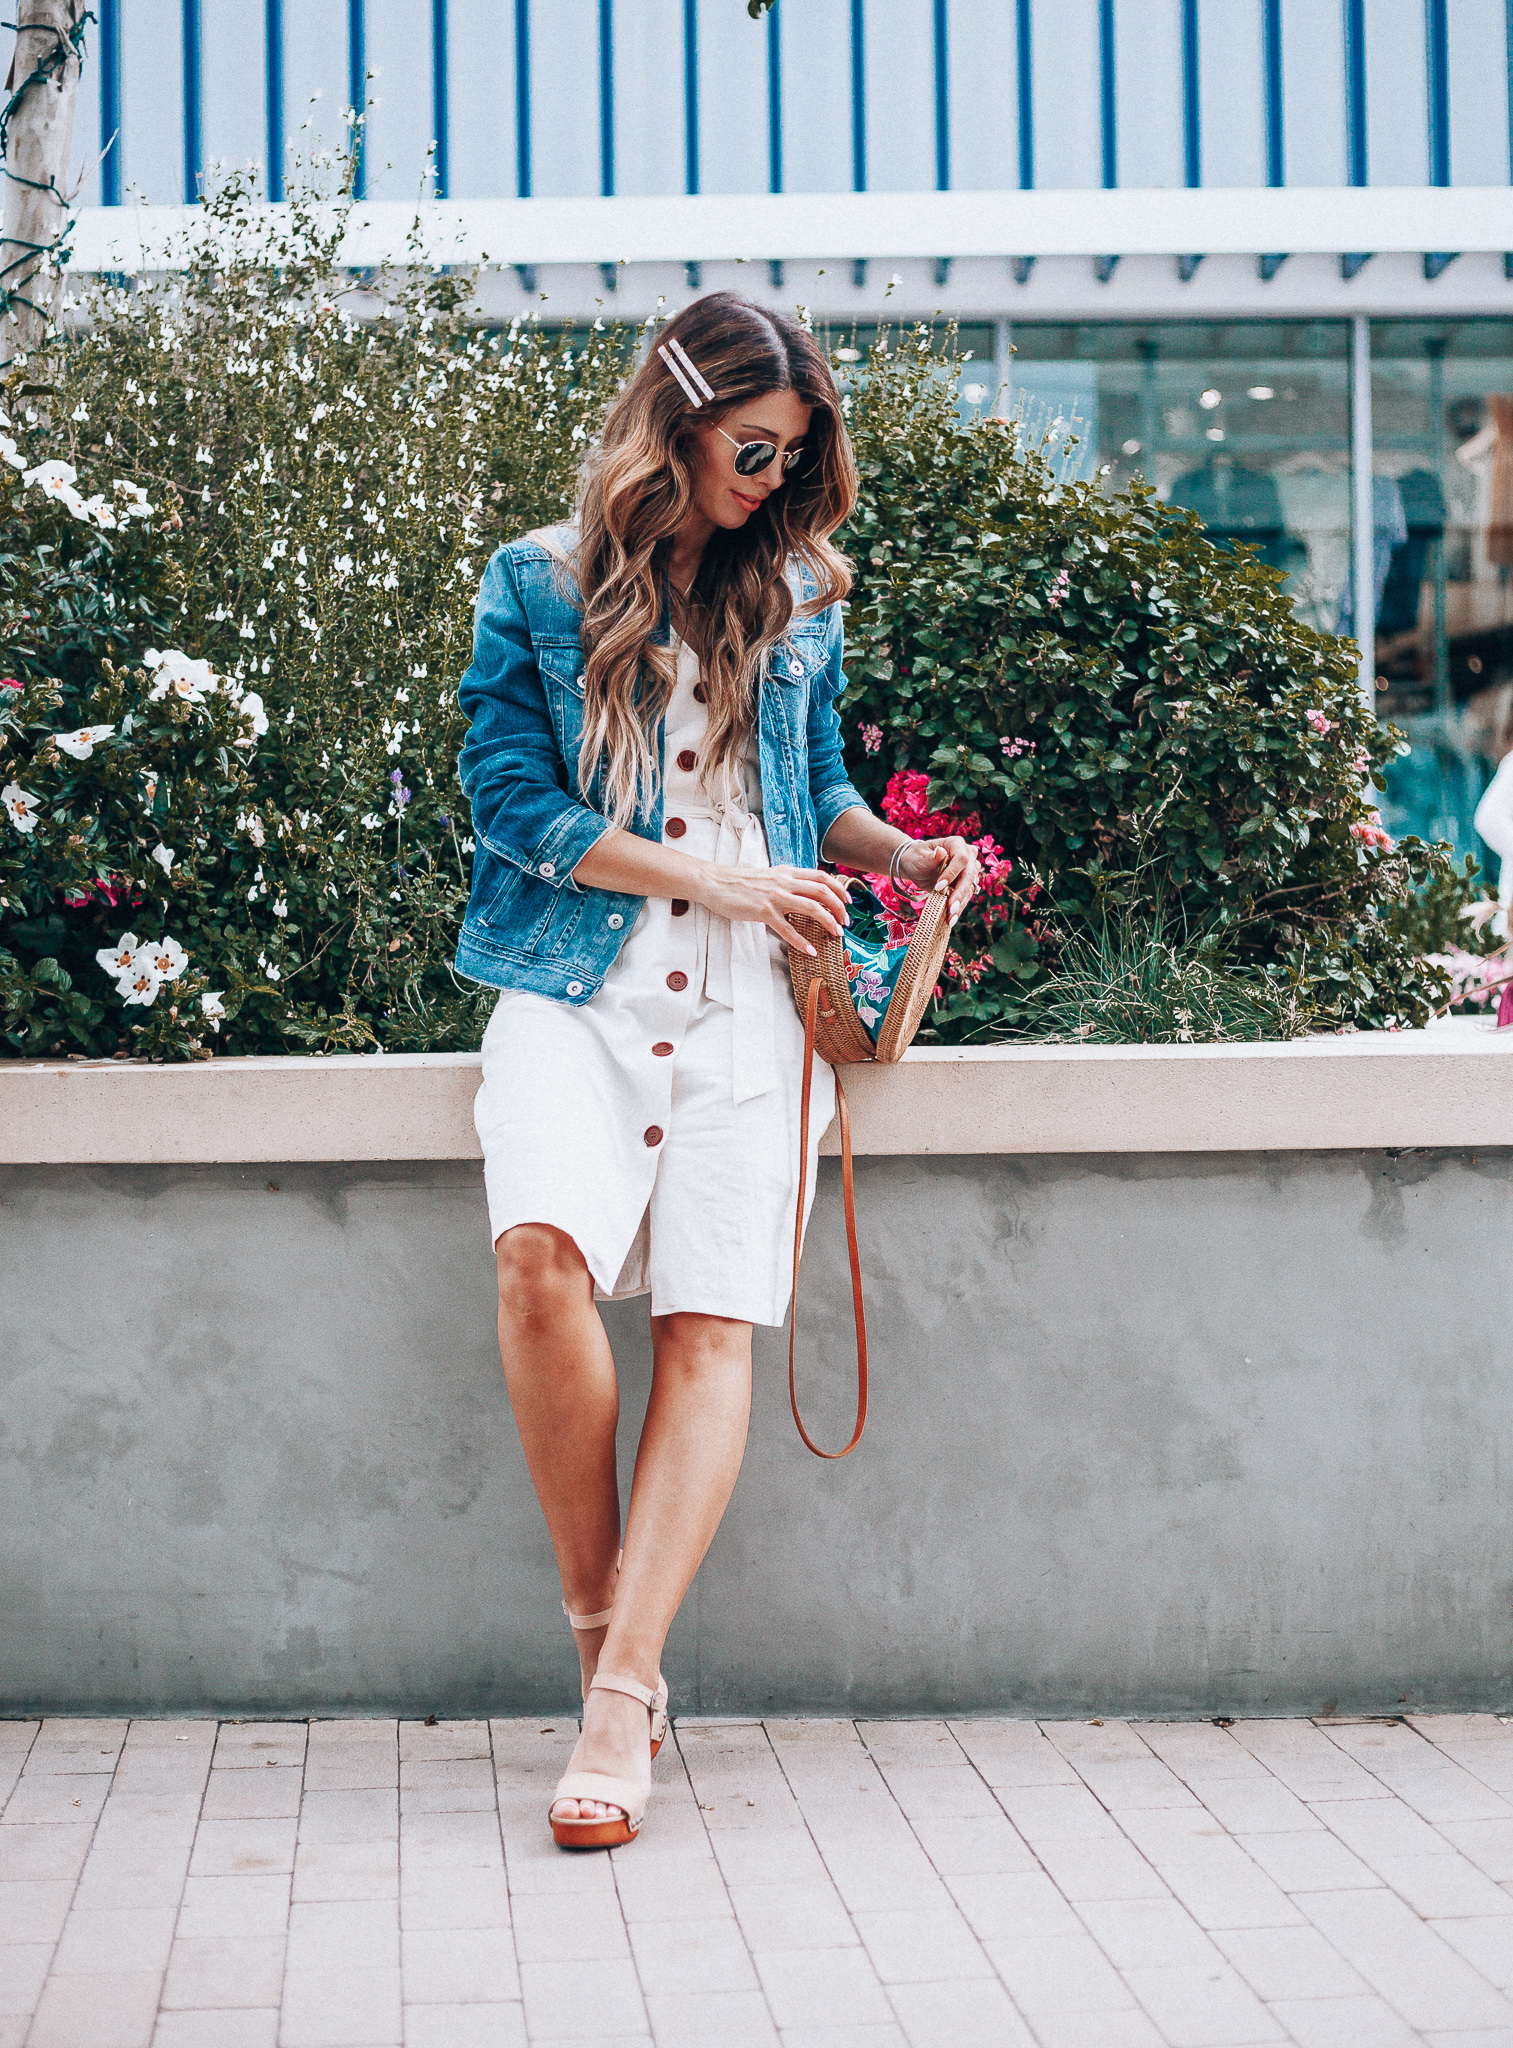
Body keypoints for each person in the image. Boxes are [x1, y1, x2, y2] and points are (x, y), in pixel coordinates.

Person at [454, 293, 979, 1850]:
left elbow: (807, 791)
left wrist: (905, 851)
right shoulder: (537, 583)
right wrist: (714, 882)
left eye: (794, 458)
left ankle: (622, 1696)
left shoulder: (798, 586)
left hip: (756, 999)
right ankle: (596, 1625)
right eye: (754, 449)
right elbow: (509, 805)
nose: (772, 480)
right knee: (539, 1262)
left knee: (706, 1325)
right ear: (673, 420)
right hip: (574, 975)